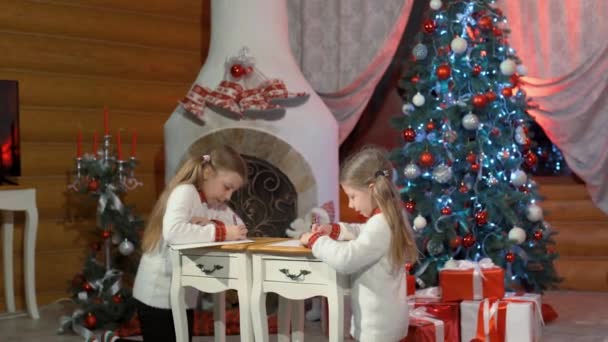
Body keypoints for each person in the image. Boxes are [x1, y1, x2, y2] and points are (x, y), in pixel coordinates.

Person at [108, 145, 248, 342]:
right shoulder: (185, 192)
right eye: (227, 187)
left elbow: (240, 230)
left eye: (233, 190)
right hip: (158, 293)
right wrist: (221, 231)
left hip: (183, 297)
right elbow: (174, 232)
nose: (229, 196)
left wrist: (212, 223)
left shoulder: (214, 204)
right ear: (207, 172)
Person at [300, 146, 418, 342]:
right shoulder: (385, 219)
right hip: (383, 321)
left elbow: (347, 259)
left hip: (377, 326)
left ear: (372, 188)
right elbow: (362, 232)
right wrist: (334, 230)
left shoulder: (380, 225)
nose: (351, 205)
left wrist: (315, 241)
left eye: (352, 196)